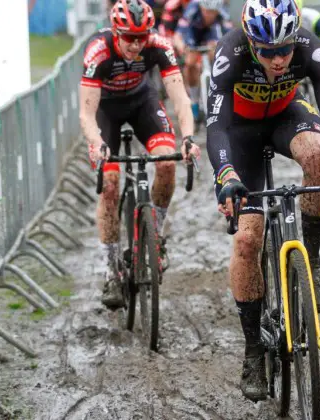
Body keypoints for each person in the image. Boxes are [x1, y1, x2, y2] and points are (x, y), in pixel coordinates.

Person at [206, 0, 320, 402]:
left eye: (285, 49)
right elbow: (217, 126)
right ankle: (254, 351)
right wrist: (227, 176)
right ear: (251, 42)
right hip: (239, 132)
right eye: (268, 51)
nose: (279, 59)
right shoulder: (230, 52)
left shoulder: (310, 47)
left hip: (284, 115)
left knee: (317, 156)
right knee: (247, 240)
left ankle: (310, 260)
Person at [80, 0, 201, 309]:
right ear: (116, 32)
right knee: (109, 183)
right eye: (128, 38)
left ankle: (154, 236)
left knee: (166, 162)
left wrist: (188, 138)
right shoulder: (99, 50)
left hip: (141, 102)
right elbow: (86, 113)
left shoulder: (158, 44)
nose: (135, 45)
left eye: (141, 38)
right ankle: (111, 269)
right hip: (106, 110)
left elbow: (180, 99)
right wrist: (97, 143)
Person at [173, 0, 232, 120]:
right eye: (206, 11)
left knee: (217, 55)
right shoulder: (192, 9)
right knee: (190, 63)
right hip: (193, 35)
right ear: (201, 8)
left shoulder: (223, 13)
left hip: (211, 35)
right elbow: (178, 35)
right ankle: (194, 101)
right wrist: (182, 47)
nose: (209, 15)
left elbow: (231, 36)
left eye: (213, 12)